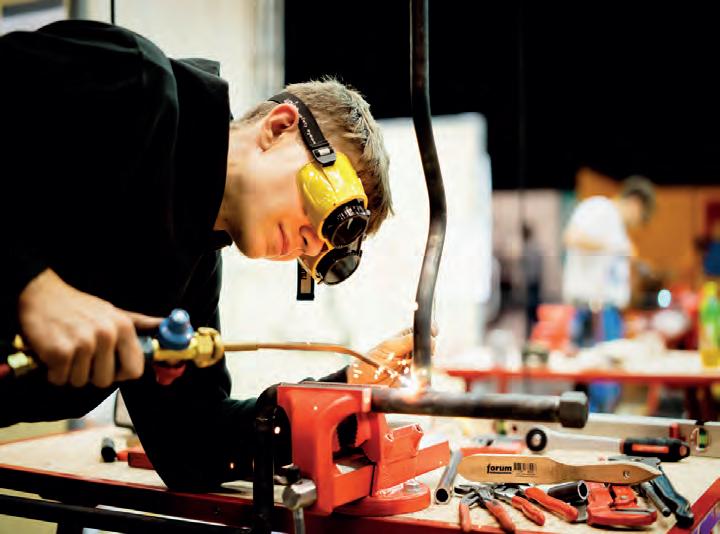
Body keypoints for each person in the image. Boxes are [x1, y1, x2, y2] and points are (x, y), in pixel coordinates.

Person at [0, 20, 415, 491]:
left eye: (332, 245)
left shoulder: (190, 270)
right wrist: (33, 286)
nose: (314, 245)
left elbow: (193, 446)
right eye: (331, 207)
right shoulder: (134, 86)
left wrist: (349, 392)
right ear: (279, 128)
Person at [562, 175, 655, 411]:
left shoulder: (616, 225)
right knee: (600, 384)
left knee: (605, 383)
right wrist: (613, 247)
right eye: (640, 217)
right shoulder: (600, 208)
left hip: (607, 311)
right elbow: (572, 236)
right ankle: (593, 429)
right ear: (635, 203)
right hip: (595, 309)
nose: (636, 223)